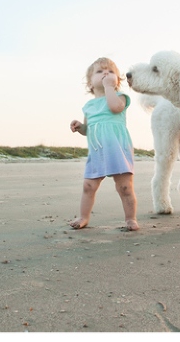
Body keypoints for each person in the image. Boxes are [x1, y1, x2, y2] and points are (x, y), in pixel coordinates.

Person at [69, 57, 139, 231]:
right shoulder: (89, 106)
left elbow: (116, 108)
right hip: (97, 151)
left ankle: (130, 218)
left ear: (117, 80)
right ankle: (84, 216)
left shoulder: (119, 97)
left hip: (118, 149)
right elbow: (89, 129)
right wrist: (80, 127)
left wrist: (109, 88)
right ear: (90, 83)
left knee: (124, 187)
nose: (106, 73)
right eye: (100, 71)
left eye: (110, 71)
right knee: (88, 186)